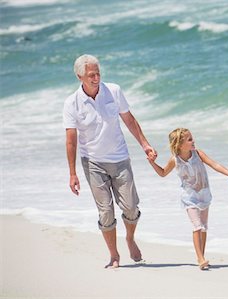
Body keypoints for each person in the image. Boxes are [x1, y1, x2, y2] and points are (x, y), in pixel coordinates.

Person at [63, 54, 157, 268]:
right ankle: (114, 256)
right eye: (91, 75)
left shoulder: (113, 90)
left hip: (120, 158)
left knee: (131, 207)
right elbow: (71, 141)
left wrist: (145, 144)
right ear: (80, 77)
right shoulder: (72, 103)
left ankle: (130, 238)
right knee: (105, 211)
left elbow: (129, 119)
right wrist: (72, 173)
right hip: (93, 162)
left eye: (98, 73)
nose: (96, 78)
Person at [147, 128, 228, 270]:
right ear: (179, 144)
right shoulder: (175, 160)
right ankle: (200, 258)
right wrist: (152, 162)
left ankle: (202, 255)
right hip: (189, 198)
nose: (193, 141)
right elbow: (163, 173)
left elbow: (215, 165)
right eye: (189, 139)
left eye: (192, 138)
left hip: (204, 195)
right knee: (197, 226)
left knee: (204, 228)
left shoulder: (199, 154)